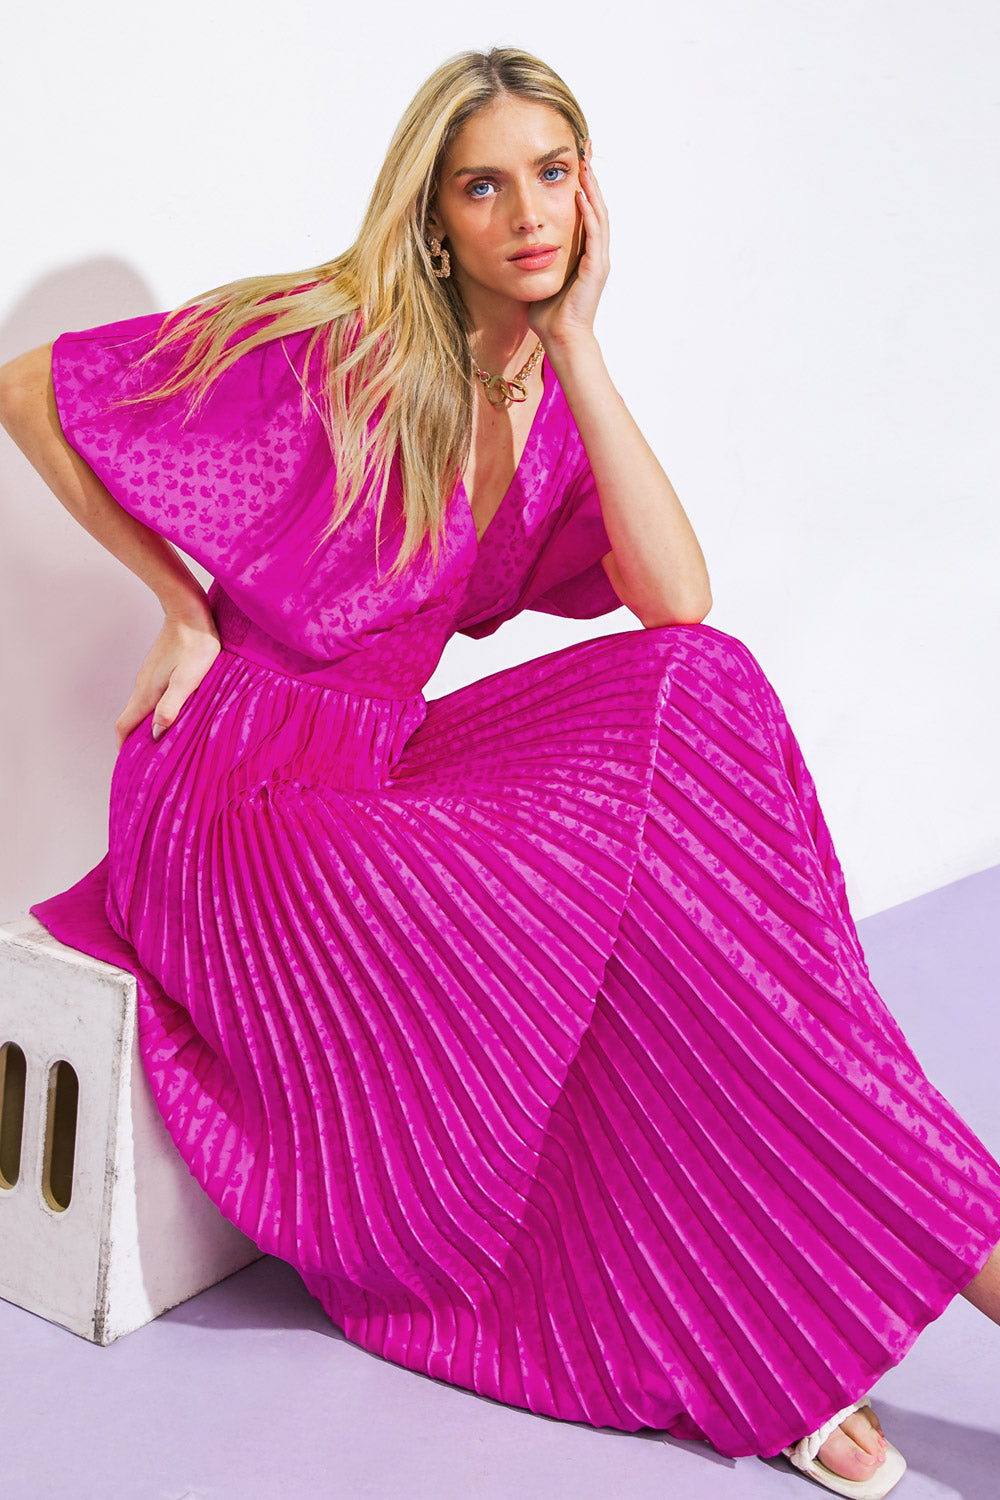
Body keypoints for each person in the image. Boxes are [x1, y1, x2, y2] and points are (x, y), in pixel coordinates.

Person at [1, 45, 998, 1498]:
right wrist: (182, 603)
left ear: (588, 195)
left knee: (695, 714)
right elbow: (29, 388)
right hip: (237, 807)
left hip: (380, 769)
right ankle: (896, 1272)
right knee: (590, 912)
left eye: (550, 173)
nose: (525, 213)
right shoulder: (330, 341)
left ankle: (768, 1315)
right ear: (436, 211)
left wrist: (583, 343)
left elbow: (681, 605)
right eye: (484, 184)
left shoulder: (542, 395)